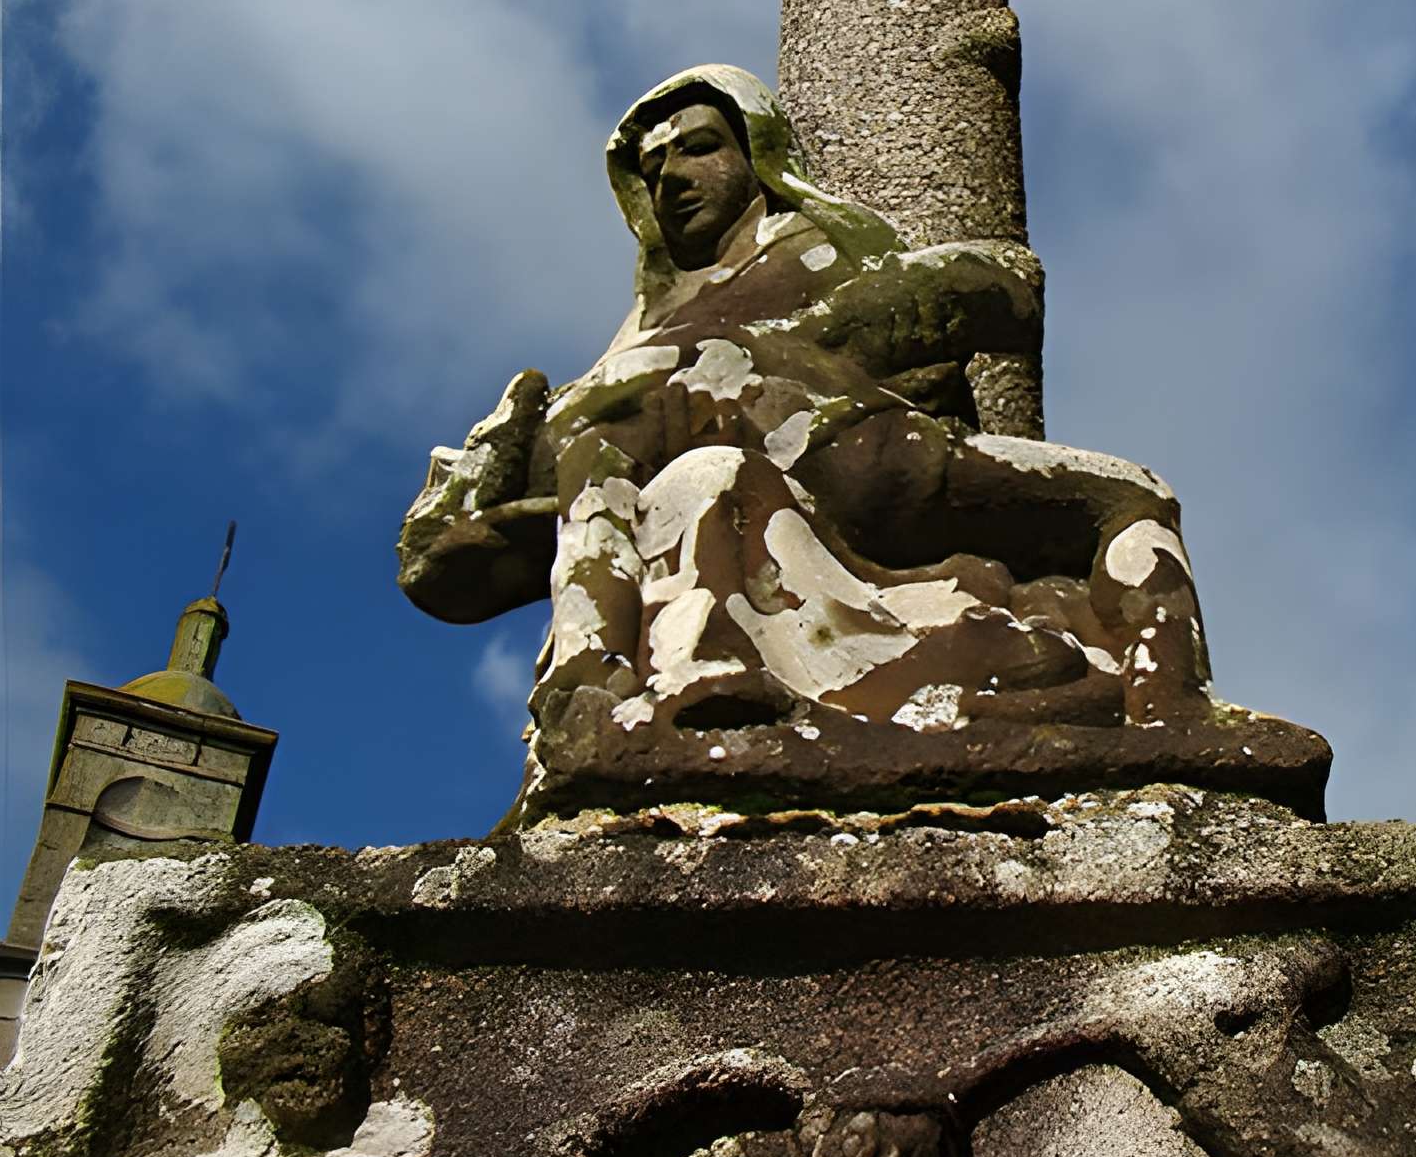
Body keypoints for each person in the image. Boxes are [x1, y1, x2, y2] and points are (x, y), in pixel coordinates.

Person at [398, 68, 1211, 799]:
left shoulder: (824, 247)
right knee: (662, 472)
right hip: (730, 496)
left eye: (699, 148)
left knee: (1129, 494)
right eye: (654, 168)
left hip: (859, 448)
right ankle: (598, 679)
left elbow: (1000, 288)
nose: (674, 176)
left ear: (756, 151)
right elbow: (542, 492)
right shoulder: (630, 345)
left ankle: (1170, 716)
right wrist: (478, 510)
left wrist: (818, 339)